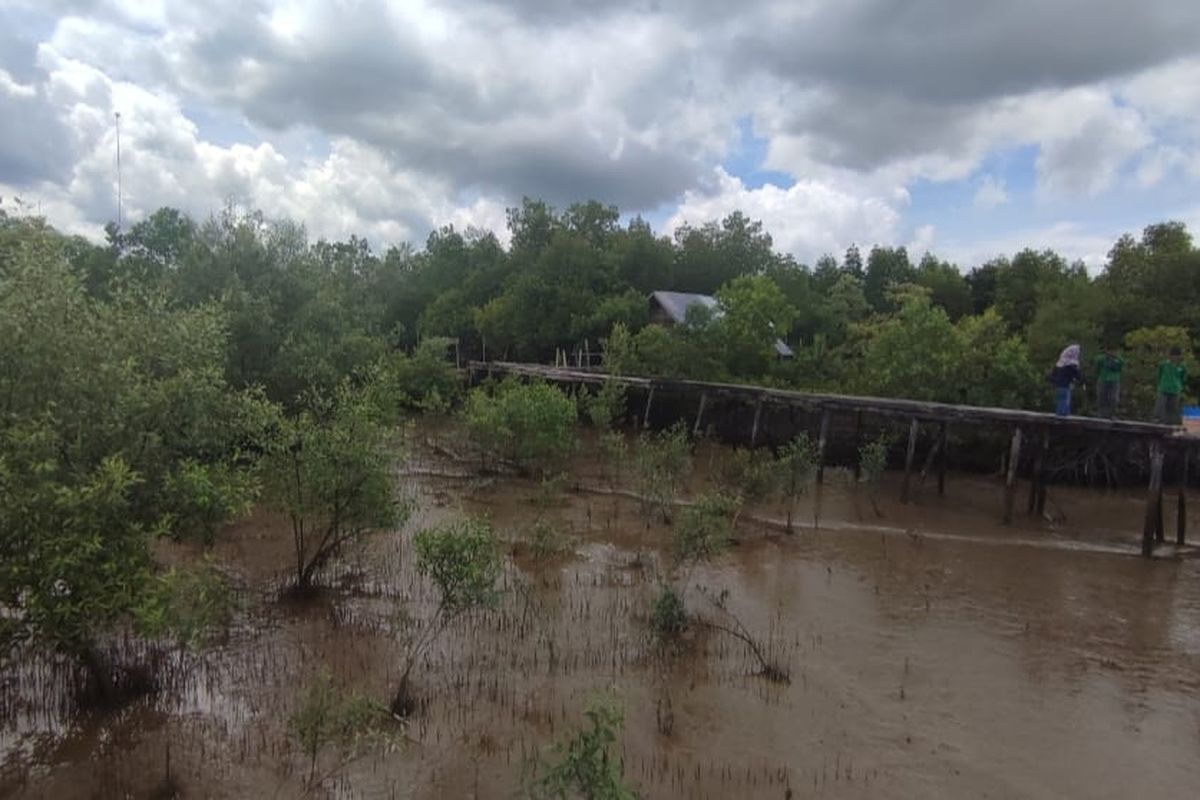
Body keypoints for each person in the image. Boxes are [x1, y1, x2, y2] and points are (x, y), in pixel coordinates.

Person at [1154, 346, 1188, 425]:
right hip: (1164, 387)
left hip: (1175, 389)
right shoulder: (1164, 364)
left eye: (1177, 356)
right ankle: (1158, 420)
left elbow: (1183, 377)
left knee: (1173, 408)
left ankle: (1170, 423)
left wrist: (1179, 385)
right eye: (1173, 356)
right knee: (1161, 405)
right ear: (1170, 356)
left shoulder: (1182, 366)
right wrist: (1160, 385)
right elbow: (1159, 374)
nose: (1175, 358)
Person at [1048, 344, 1084, 416]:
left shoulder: (1061, 364)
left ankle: (1061, 416)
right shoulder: (1070, 366)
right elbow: (1076, 375)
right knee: (1064, 402)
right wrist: (1081, 381)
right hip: (1065, 386)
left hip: (1059, 386)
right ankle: (1062, 418)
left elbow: (1053, 374)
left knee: (1062, 401)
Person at [1094, 347, 1124, 418]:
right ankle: (1101, 413)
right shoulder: (1102, 359)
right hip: (1103, 379)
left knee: (1113, 398)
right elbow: (1097, 364)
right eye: (1110, 351)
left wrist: (1116, 358)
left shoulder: (1118, 359)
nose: (1111, 353)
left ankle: (1112, 414)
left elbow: (1121, 365)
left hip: (1114, 380)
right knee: (1101, 396)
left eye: (1113, 351)